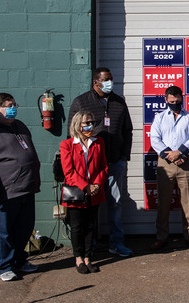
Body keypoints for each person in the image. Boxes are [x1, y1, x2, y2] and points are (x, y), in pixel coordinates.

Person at [68, 67, 134, 257]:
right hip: (90, 166)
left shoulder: (118, 102)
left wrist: (124, 156)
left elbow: (127, 130)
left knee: (115, 203)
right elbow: (71, 134)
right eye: (105, 79)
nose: (109, 82)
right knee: (89, 206)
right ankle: (90, 247)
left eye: (111, 79)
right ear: (96, 82)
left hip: (114, 163)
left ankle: (116, 243)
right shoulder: (81, 101)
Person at [0, 93, 41, 282]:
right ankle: (3, 266)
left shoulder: (19, 126)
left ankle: (19, 261)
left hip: (26, 189)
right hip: (5, 192)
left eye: (14, 104)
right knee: (3, 232)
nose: (14, 108)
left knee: (24, 229)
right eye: (9, 105)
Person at [150, 85, 189, 250]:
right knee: (163, 203)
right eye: (171, 101)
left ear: (182, 98)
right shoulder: (159, 118)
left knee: (188, 201)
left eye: (177, 100)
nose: (175, 103)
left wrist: (179, 153)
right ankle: (162, 236)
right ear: (166, 100)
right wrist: (170, 156)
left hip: (185, 163)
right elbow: (155, 139)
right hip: (165, 165)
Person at [60, 111, 108, 274]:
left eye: (92, 122)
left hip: (95, 192)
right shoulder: (67, 145)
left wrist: (96, 184)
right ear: (77, 125)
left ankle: (88, 257)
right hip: (76, 192)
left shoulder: (99, 142)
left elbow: (103, 166)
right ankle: (78, 258)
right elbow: (69, 171)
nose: (90, 126)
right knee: (77, 227)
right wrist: (85, 186)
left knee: (90, 226)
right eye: (86, 123)